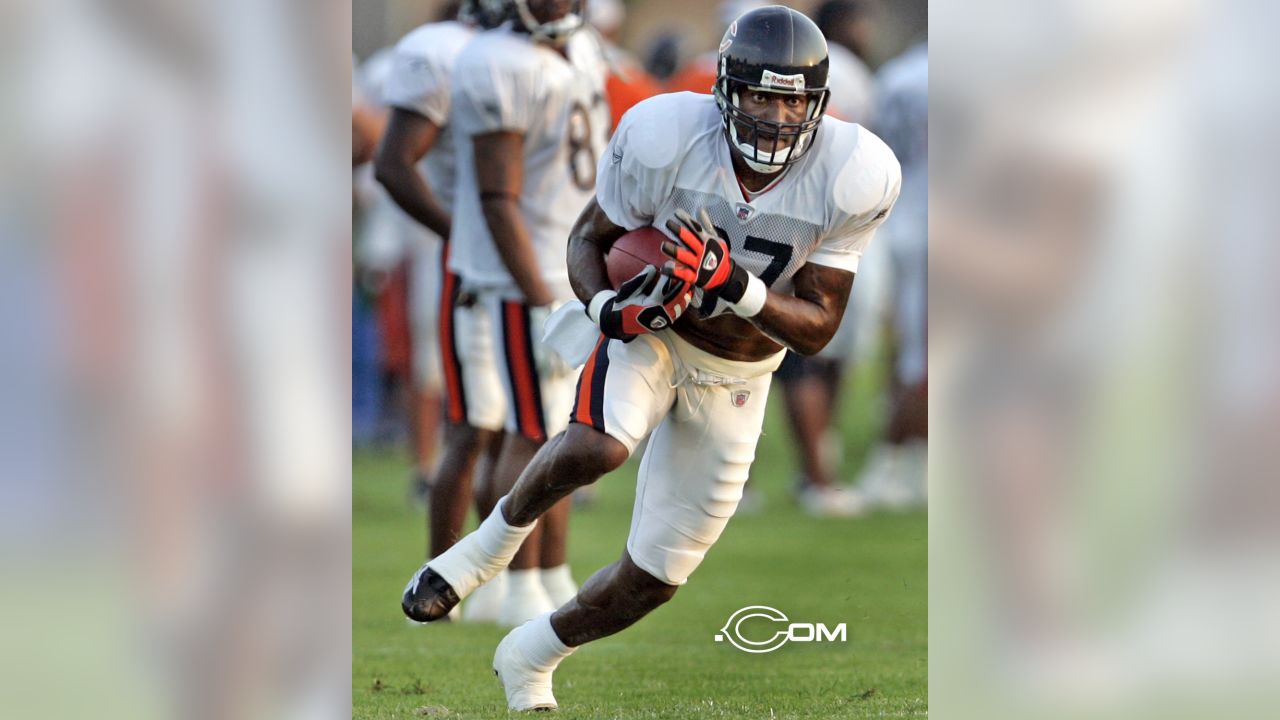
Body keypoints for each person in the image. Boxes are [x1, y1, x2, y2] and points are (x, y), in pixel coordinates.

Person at [403, 5, 901, 711]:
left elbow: (817, 327)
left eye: (792, 98)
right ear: (725, 88)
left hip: (741, 371)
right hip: (656, 332)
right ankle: (481, 553)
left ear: (817, 104)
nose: (775, 114)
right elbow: (588, 239)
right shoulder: (667, 134)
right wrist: (606, 306)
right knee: (600, 446)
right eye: (760, 93)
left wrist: (735, 284)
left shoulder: (855, 171)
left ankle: (531, 653)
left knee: (657, 577)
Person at [429, 0, 609, 626]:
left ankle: (550, 570)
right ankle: (516, 578)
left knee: (565, 429)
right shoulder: (493, 61)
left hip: (570, 264)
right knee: (530, 430)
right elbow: (497, 196)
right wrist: (538, 296)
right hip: (520, 274)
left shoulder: (580, 45)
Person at [375, 0, 519, 621]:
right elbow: (391, 161)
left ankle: (516, 577)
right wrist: (461, 237)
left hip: (531, 253)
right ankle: (442, 577)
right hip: (472, 258)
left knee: (529, 423)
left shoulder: (550, 53)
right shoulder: (441, 50)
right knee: (475, 418)